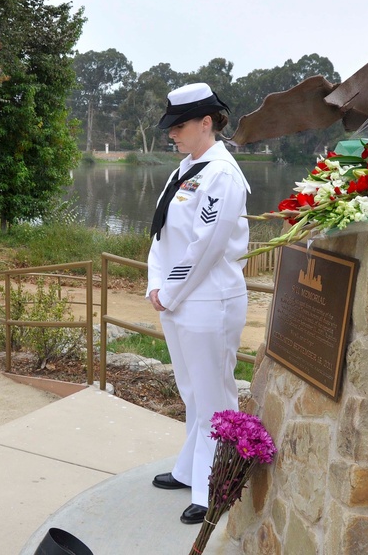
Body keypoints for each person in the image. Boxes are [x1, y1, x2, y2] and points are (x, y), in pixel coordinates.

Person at [146, 83, 251, 525]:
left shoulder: (221, 175)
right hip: (179, 301)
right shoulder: (187, 168)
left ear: (207, 123)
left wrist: (167, 292)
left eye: (180, 126)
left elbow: (205, 247)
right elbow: (161, 232)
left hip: (209, 301)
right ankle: (192, 469)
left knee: (213, 395)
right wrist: (156, 285)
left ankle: (217, 486)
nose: (173, 134)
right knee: (192, 392)